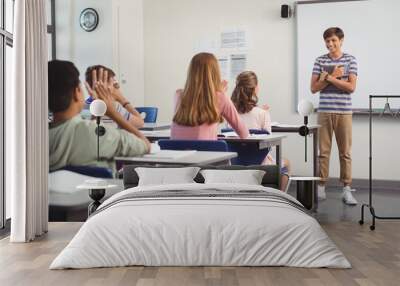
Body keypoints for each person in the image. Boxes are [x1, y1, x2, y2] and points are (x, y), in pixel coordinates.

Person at [48, 60, 150, 172]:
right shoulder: (97, 134)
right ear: (77, 92)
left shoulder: (36, 137)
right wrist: (112, 112)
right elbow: (144, 145)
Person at [310, 27, 358, 205]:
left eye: (333, 41)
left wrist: (328, 78)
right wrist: (337, 78)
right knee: (323, 152)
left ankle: (346, 189)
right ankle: (321, 186)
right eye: (327, 41)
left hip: (344, 111)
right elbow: (314, 88)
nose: (330, 44)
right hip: (324, 111)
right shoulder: (319, 60)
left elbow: (351, 88)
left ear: (341, 40)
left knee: (345, 153)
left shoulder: (350, 60)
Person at [231, 71, 291, 191]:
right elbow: (269, 145)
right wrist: (263, 112)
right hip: (260, 164)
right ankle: (280, 198)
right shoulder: (262, 113)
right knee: (287, 163)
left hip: (236, 163)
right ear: (255, 88)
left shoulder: (231, 113)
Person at [171, 52, 249, 140]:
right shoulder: (220, 97)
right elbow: (244, 133)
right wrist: (220, 94)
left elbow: (196, 112)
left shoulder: (178, 95)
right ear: (215, 73)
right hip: (206, 152)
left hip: (176, 150)